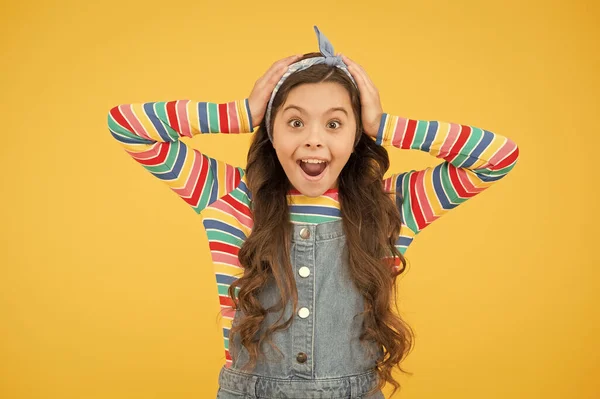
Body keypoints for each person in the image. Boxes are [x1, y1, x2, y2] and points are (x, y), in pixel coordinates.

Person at [107, 26, 519, 399]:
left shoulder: (391, 205)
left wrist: (383, 123)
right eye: (295, 123)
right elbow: (127, 126)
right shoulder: (228, 197)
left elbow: (498, 157)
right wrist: (242, 112)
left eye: (335, 124)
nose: (314, 141)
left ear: (358, 135)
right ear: (271, 131)